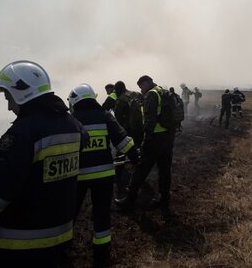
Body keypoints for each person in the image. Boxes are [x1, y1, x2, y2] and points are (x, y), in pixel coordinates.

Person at [0, 60, 88, 268]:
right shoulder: (73, 125)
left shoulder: (22, 133)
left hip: (19, 240)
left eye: (8, 97)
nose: (8, 106)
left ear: (21, 93)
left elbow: (0, 191)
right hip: (61, 235)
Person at [68, 83, 139, 268]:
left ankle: (64, 248)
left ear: (75, 100)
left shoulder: (70, 119)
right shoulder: (105, 115)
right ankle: (102, 254)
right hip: (104, 177)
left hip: (77, 178)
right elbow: (122, 141)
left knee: (69, 214)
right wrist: (135, 157)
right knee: (102, 215)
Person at [115, 75, 176, 210]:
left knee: (141, 169)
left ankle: (130, 198)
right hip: (168, 137)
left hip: (154, 138)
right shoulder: (163, 91)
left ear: (147, 82)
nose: (141, 89)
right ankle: (164, 198)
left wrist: (145, 140)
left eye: (141, 86)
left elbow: (149, 120)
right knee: (165, 170)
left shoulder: (152, 95)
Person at [113, 80, 144, 197]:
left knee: (121, 152)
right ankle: (138, 174)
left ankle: (119, 176)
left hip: (128, 131)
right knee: (138, 152)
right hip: (140, 129)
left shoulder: (120, 100)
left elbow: (117, 118)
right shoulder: (136, 94)